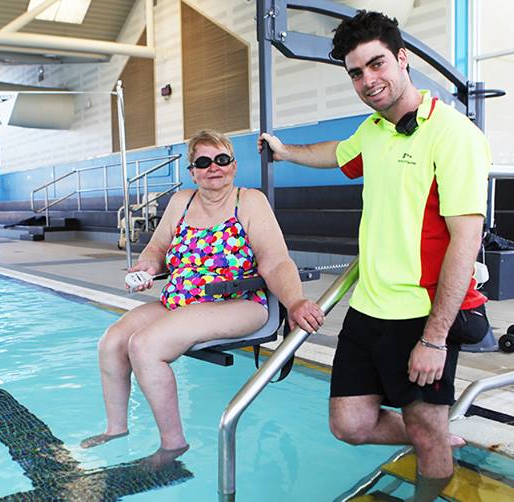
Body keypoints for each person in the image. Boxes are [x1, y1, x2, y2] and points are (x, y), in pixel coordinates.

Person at [258, 11, 489, 501]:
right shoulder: (374, 130)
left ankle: (431, 456)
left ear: (402, 59)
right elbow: (337, 151)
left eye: (376, 64)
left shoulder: (454, 134)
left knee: (426, 431)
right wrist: (284, 151)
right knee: (349, 423)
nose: (368, 80)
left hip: (421, 314)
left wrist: (435, 339)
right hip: (369, 309)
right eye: (356, 73)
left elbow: (465, 242)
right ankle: (432, 435)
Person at [82, 129, 324, 467]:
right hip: (180, 300)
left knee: (145, 346)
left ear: (234, 165)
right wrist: (148, 267)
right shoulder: (182, 201)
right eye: (204, 162)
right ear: (192, 170)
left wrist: (295, 301)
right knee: (111, 341)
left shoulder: (249, 201)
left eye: (222, 159)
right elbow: (158, 248)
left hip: (238, 304)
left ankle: (173, 445)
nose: (214, 167)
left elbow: (275, 260)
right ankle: (116, 429)